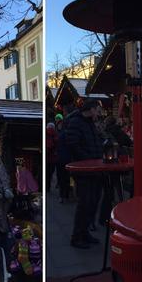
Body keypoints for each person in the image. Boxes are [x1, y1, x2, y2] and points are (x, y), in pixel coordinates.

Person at [65, 98, 103, 249]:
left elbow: (95, 142)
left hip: (95, 169)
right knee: (84, 203)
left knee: (93, 201)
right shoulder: (76, 122)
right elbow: (73, 145)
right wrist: (87, 160)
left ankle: (85, 232)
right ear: (91, 109)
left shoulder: (90, 123)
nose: (99, 114)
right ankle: (77, 236)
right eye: (98, 110)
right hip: (84, 170)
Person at [55, 114, 71, 203]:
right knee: (67, 178)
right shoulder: (69, 134)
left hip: (60, 158)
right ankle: (66, 195)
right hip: (68, 159)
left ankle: (62, 195)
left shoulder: (60, 134)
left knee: (61, 178)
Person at [45, 122, 58, 192]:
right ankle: (48, 186)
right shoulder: (55, 134)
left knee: (46, 172)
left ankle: (45, 186)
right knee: (50, 173)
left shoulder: (45, 133)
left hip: (46, 157)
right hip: (53, 158)